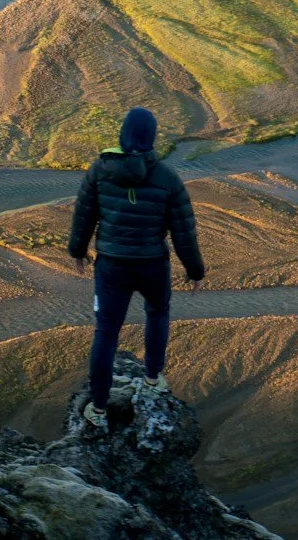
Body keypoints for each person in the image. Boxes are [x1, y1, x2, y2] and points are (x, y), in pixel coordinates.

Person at [65, 106, 205, 427]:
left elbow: (83, 214)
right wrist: (194, 271)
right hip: (152, 265)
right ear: (152, 137)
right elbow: (183, 231)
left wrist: (77, 250)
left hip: (111, 266)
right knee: (157, 315)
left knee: (106, 332)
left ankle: (98, 410)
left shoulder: (100, 171)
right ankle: (154, 380)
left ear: (122, 134)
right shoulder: (168, 178)